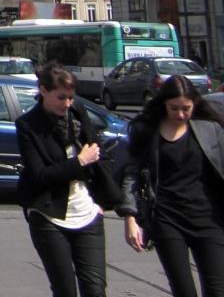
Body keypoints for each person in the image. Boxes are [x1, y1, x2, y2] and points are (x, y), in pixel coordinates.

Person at [15, 62, 123, 297]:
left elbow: (99, 154)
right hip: (49, 216)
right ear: (43, 91)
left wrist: (99, 204)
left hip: (88, 213)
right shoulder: (27, 125)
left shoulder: (77, 114)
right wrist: (79, 162)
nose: (67, 103)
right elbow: (40, 175)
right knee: (65, 290)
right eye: (61, 97)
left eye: (71, 98)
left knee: (95, 290)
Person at [122, 74, 224, 297]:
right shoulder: (148, 131)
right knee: (183, 290)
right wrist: (130, 216)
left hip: (208, 219)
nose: (180, 114)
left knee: (218, 290)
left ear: (194, 103)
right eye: (174, 108)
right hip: (167, 220)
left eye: (186, 108)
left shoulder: (210, 129)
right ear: (164, 104)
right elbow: (132, 174)